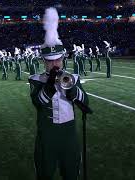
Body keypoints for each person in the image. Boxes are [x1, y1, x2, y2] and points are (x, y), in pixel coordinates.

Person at [28, 7, 89, 180]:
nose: (55, 63)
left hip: (69, 137)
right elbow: (39, 102)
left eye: (57, 59)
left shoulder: (73, 78)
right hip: (46, 138)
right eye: (50, 60)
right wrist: (51, 83)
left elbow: (85, 102)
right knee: (44, 174)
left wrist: (71, 87)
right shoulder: (36, 80)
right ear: (44, 61)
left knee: (71, 174)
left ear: (63, 59)